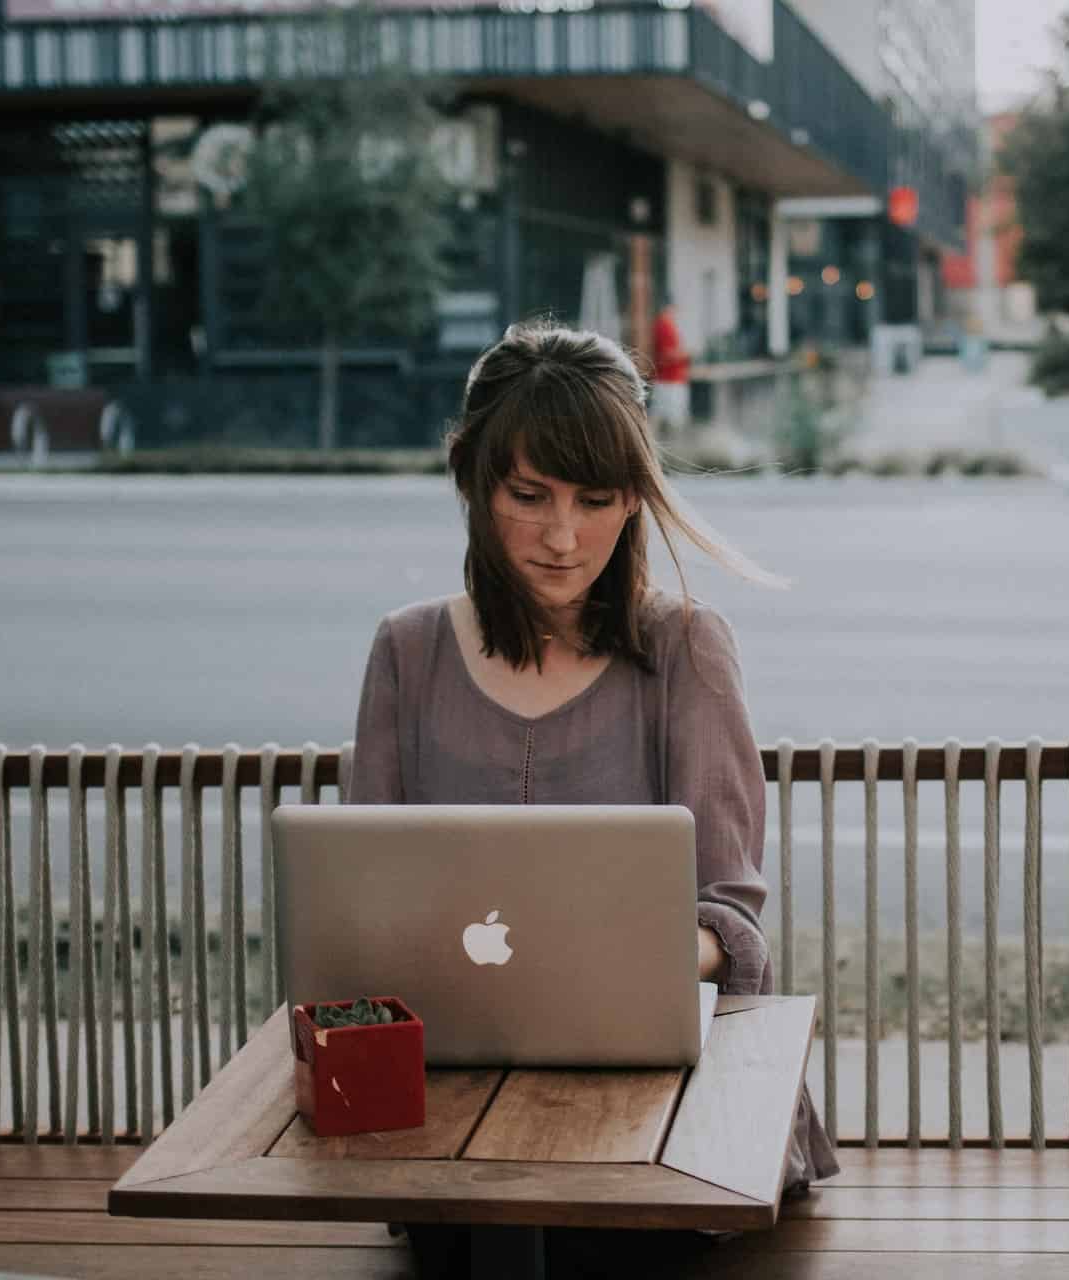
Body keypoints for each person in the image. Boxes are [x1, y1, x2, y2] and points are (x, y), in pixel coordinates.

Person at [348, 322, 838, 1277]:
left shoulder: (685, 648)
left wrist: (614, 959)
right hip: (453, 1107)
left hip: (663, 1109)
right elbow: (363, 905)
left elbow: (732, 921)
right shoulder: (408, 653)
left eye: (597, 499)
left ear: (634, 502)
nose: (563, 537)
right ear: (471, 480)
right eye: (528, 496)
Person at [650, 300, 693, 435]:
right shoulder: (664, 326)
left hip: (672, 379)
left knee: (663, 414)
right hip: (669, 380)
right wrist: (685, 354)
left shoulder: (667, 325)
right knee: (671, 417)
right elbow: (667, 355)